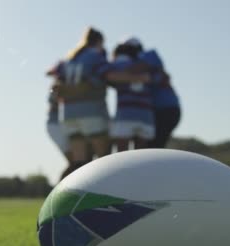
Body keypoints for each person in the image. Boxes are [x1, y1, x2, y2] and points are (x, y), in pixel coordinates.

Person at [47, 28, 151, 178]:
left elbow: (53, 77)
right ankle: (104, 197)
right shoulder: (95, 56)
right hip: (91, 113)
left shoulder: (70, 58)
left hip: (68, 115)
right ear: (99, 42)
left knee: (79, 163)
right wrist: (139, 78)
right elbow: (109, 75)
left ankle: (74, 198)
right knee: (104, 161)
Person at [124, 38, 181, 149]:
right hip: (156, 111)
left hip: (166, 109)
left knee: (153, 148)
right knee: (151, 147)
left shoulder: (150, 54)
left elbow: (133, 69)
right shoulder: (149, 67)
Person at [99, 43, 154, 152]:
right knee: (141, 155)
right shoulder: (146, 65)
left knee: (122, 156)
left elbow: (103, 74)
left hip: (125, 114)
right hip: (146, 115)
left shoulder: (116, 65)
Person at [45, 83, 75, 180]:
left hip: (69, 124)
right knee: (75, 162)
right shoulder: (57, 85)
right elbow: (54, 100)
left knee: (81, 160)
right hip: (57, 125)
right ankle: (58, 191)